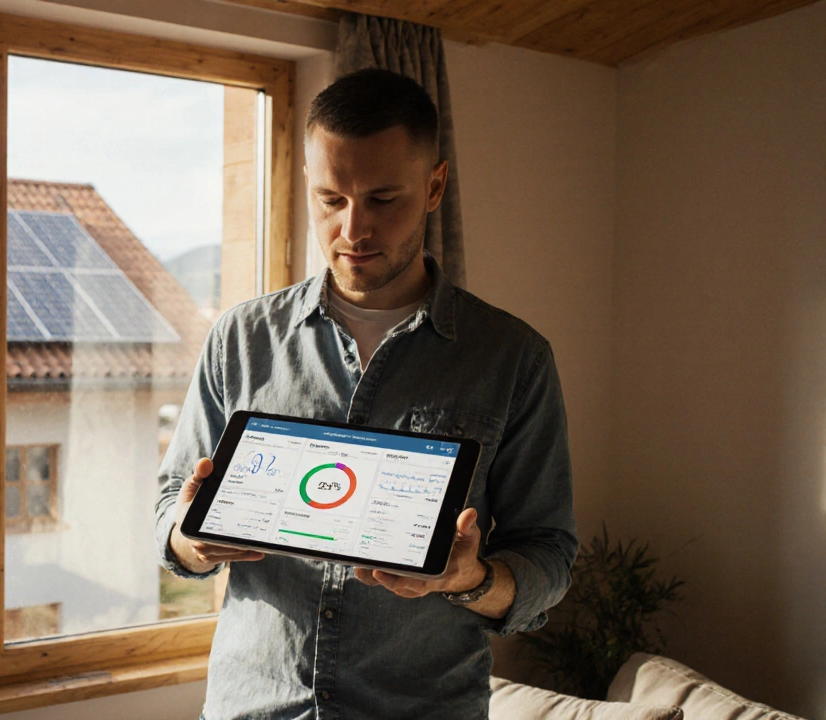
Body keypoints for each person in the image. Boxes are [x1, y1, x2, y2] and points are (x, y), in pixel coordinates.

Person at [154, 68, 578, 720]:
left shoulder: (514, 358)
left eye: (382, 199)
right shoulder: (239, 338)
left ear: (434, 186)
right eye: (331, 199)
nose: (353, 229)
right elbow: (170, 511)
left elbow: (548, 553)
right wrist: (191, 540)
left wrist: (471, 580)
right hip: (254, 706)